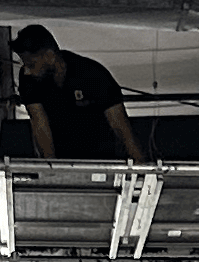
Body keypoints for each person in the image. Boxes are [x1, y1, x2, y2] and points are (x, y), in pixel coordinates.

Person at [13, 22, 145, 159]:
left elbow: (121, 125)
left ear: (49, 56)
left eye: (31, 64)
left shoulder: (93, 74)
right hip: (62, 157)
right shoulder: (28, 79)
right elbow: (39, 123)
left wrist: (141, 164)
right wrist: (51, 168)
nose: (27, 71)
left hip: (103, 156)